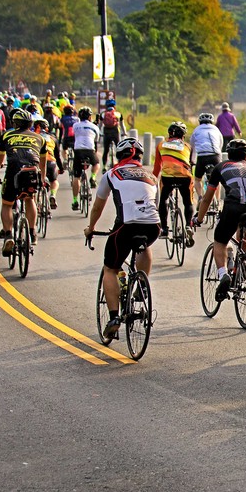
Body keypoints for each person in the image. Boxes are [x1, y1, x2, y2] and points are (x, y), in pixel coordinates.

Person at [84, 137, 160, 340]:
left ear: (119, 156)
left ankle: (114, 318)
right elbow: (156, 205)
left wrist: (91, 228)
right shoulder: (152, 176)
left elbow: (98, 206)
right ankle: (142, 286)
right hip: (153, 226)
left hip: (126, 225)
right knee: (144, 245)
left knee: (110, 269)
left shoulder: (112, 174)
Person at [192, 138, 246, 300]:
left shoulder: (221, 167)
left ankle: (223, 274)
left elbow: (207, 198)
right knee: (244, 226)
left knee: (220, 241)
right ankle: (243, 260)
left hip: (234, 206)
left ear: (228, 154)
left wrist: (199, 218)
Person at [0, 108, 47, 255]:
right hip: (32, 172)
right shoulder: (40, 138)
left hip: (14, 171)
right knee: (29, 199)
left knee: (7, 204)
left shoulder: (6, 135)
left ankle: (8, 235)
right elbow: (43, 164)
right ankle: (32, 232)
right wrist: (42, 180)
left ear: (15, 123)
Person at [153, 121, 195, 247]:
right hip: (185, 177)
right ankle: (188, 225)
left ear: (169, 134)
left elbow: (156, 168)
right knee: (188, 202)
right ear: (183, 135)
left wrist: (152, 181)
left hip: (167, 178)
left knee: (164, 200)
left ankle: (164, 229)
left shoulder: (161, 145)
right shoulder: (188, 146)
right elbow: (192, 163)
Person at [70, 107, 101, 210]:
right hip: (89, 150)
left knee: (76, 177)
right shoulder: (94, 126)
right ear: (89, 116)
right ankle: (93, 177)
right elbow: (96, 140)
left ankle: (75, 201)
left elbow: (73, 135)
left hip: (78, 150)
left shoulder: (75, 125)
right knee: (96, 164)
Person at [190, 111, 224, 202]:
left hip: (202, 157)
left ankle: (200, 197)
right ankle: (218, 201)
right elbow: (220, 144)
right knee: (217, 180)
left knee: (197, 179)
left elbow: (192, 147)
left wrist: (192, 161)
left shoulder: (196, 130)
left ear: (199, 122)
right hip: (215, 156)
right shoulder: (216, 129)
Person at [32, 116, 61, 210]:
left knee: (34, 184)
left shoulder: (32, 137)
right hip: (51, 162)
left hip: (37, 162)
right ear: (47, 128)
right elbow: (57, 155)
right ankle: (53, 195)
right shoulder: (53, 138)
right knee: (54, 181)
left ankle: (36, 205)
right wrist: (61, 168)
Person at [99, 98, 123, 167]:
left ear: (106, 106)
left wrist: (99, 133)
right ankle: (120, 165)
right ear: (114, 106)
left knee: (106, 150)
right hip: (115, 133)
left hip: (106, 133)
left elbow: (100, 125)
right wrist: (124, 133)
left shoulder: (103, 114)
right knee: (119, 149)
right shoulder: (118, 114)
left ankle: (104, 166)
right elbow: (122, 125)